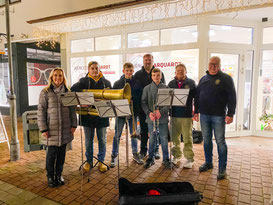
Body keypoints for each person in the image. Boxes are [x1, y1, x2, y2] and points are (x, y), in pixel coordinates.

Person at [193, 56, 236, 180]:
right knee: (206, 140)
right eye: (211, 64)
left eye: (215, 64)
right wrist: (196, 111)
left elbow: (232, 97)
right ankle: (208, 163)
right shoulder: (203, 79)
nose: (213, 66)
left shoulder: (226, 79)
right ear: (208, 65)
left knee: (220, 142)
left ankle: (222, 169)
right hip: (204, 115)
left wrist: (230, 114)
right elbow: (197, 96)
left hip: (218, 116)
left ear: (220, 65)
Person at [38, 68, 77, 188]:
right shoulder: (45, 92)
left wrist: (74, 125)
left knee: (61, 155)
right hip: (51, 129)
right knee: (51, 155)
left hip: (65, 127)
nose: (57, 78)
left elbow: (72, 110)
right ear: (51, 77)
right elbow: (41, 110)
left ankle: (59, 175)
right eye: (55, 75)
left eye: (60, 75)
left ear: (63, 78)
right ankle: (50, 176)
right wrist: (43, 128)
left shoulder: (68, 92)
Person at [71, 61, 111, 173]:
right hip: (87, 116)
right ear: (88, 70)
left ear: (99, 69)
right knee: (88, 140)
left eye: (96, 68)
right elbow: (73, 88)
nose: (94, 70)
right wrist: (83, 100)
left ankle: (101, 161)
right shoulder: (83, 81)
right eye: (92, 68)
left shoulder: (106, 82)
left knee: (102, 140)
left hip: (102, 116)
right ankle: (89, 161)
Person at [110, 63, 143, 167]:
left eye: (130, 71)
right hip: (120, 112)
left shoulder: (137, 83)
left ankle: (135, 153)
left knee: (133, 134)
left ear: (133, 71)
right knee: (117, 135)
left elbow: (140, 97)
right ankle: (114, 155)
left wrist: (134, 99)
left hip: (132, 112)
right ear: (123, 71)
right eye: (127, 71)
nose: (129, 73)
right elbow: (113, 97)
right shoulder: (117, 83)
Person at [134, 54, 165, 160]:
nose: (148, 62)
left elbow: (163, 91)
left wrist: (158, 109)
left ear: (153, 60)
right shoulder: (137, 74)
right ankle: (143, 150)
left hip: (156, 110)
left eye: (149, 60)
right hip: (143, 109)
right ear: (143, 61)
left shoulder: (160, 73)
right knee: (143, 130)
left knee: (155, 131)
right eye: (146, 60)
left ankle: (156, 150)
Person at [141, 68, 171, 169]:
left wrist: (160, 111)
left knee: (164, 138)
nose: (156, 77)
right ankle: (150, 158)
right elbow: (143, 103)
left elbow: (168, 104)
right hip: (151, 118)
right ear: (151, 76)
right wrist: (149, 113)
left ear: (161, 76)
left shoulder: (166, 88)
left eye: (158, 75)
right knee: (152, 138)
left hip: (162, 118)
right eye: (154, 75)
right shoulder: (147, 88)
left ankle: (166, 159)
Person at [168, 64, 196, 168]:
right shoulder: (171, 83)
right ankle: (176, 156)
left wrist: (196, 112)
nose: (180, 72)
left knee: (187, 137)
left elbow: (196, 98)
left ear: (186, 71)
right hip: (174, 115)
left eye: (182, 70)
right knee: (175, 138)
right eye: (178, 70)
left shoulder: (191, 83)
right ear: (175, 72)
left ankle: (189, 159)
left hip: (186, 115)